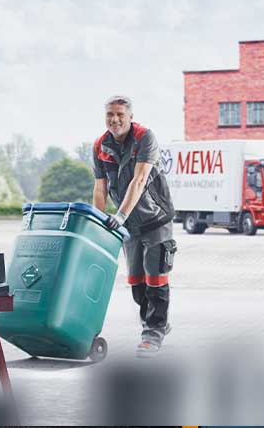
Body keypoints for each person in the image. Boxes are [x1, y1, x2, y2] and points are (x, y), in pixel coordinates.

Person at [91, 96, 176, 357]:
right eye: (110, 114)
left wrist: (120, 215)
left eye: (119, 115)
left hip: (154, 219)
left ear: (130, 117)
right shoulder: (100, 145)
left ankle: (153, 332)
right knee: (136, 281)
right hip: (128, 226)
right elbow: (99, 187)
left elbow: (139, 180)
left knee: (156, 276)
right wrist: (98, 222)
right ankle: (153, 321)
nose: (114, 120)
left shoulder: (144, 138)